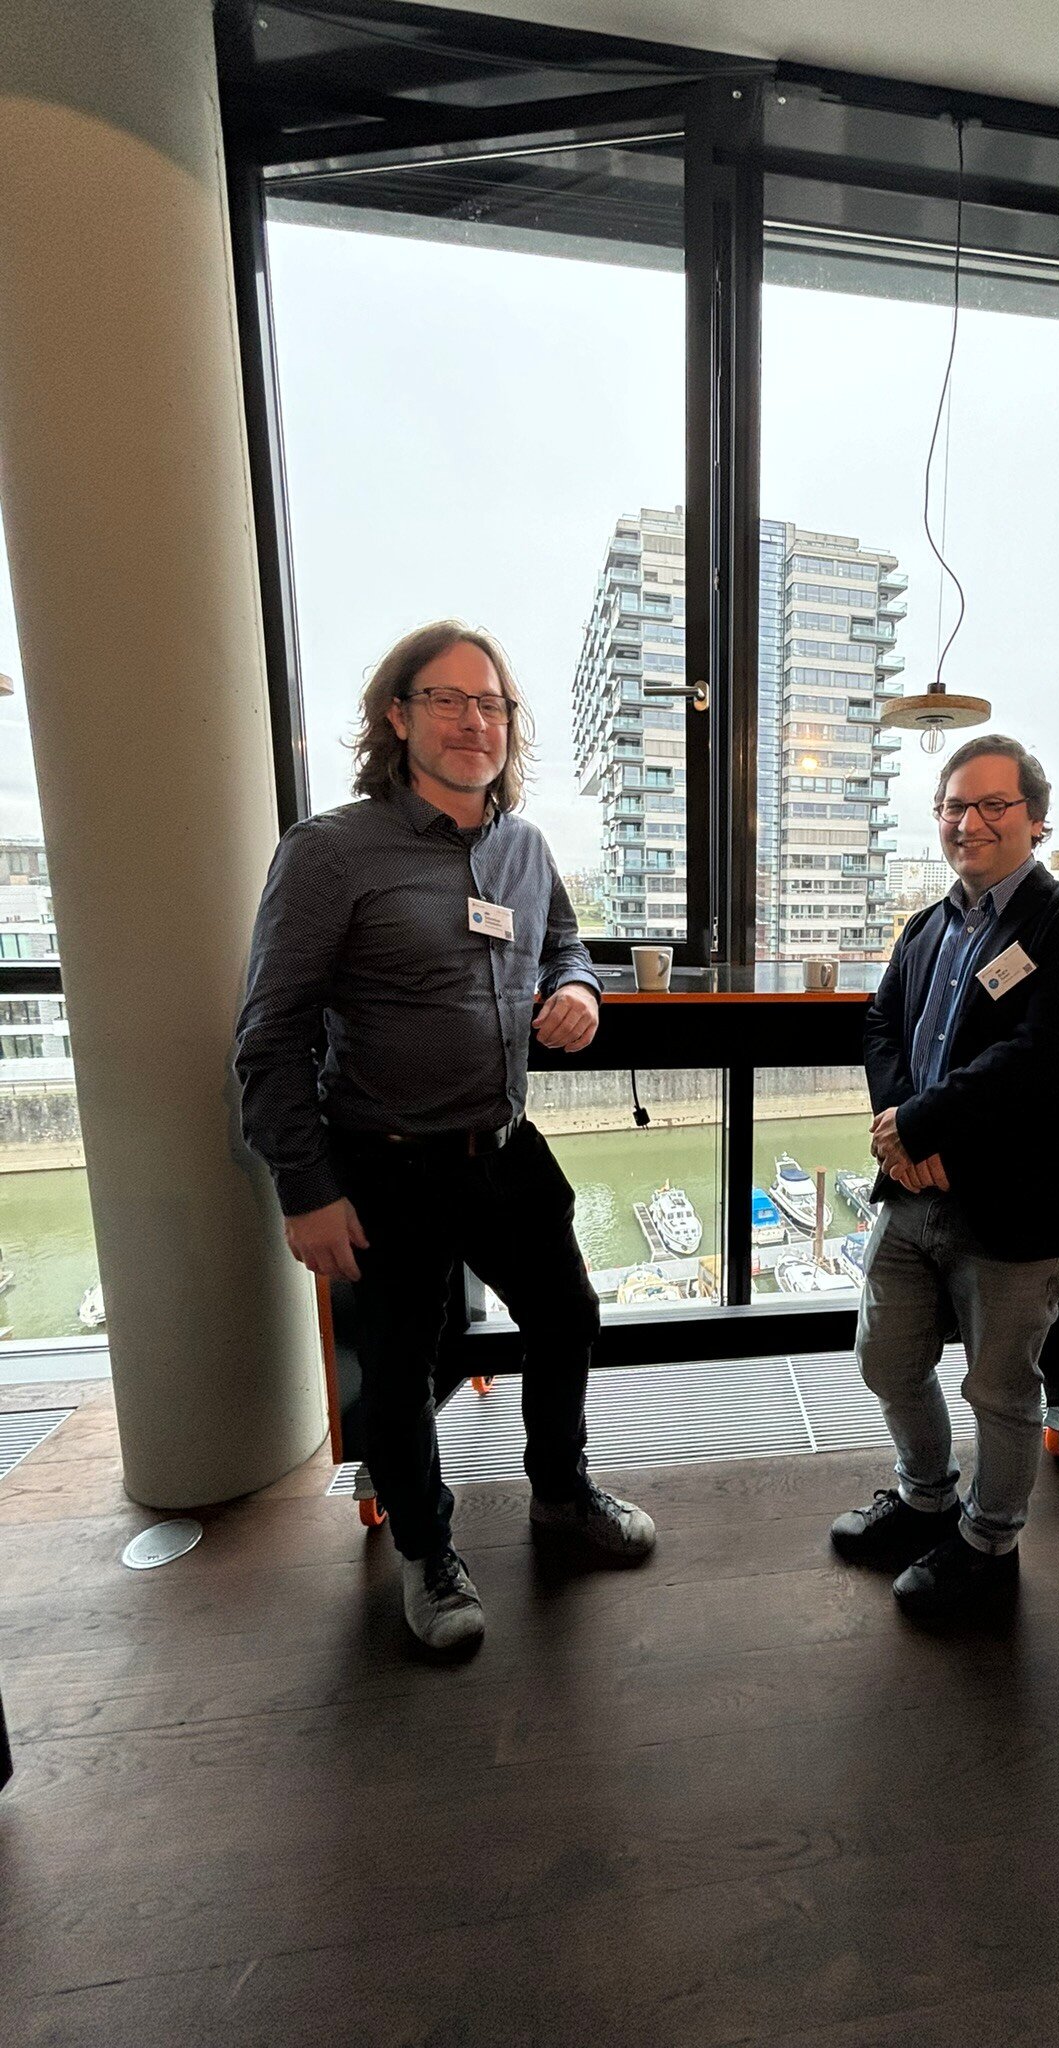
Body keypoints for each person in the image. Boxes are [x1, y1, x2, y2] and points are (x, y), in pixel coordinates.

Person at [236, 620, 655, 1656]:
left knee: (567, 1312)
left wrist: (578, 988)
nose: (477, 721)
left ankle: (559, 1491)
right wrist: (304, 1182)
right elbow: (270, 1034)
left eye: (494, 703)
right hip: (381, 1158)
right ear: (398, 715)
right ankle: (427, 1548)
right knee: (401, 1365)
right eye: (450, 699)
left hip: (501, 1144)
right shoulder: (331, 853)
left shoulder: (522, 845)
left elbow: (564, 941)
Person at [830, 734, 1059, 1619]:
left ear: (1037, 819)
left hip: (1018, 1206)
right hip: (914, 1189)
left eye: (995, 804)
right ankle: (927, 1496)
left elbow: (1042, 1057)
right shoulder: (927, 925)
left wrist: (922, 1121)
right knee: (885, 1359)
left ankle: (989, 1544)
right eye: (957, 805)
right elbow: (882, 1026)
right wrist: (899, 1131)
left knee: (1001, 1388)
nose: (972, 821)